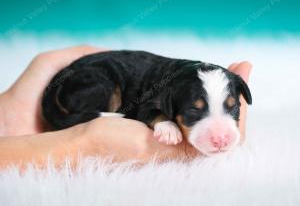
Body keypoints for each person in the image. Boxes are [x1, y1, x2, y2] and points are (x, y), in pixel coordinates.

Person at [0, 45, 252, 170]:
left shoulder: (180, 87)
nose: (221, 135)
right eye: (196, 111)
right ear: (170, 102)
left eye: (231, 109)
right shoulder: (168, 91)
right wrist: (160, 121)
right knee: (106, 86)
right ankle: (81, 114)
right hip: (86, 84)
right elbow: (147, 109)